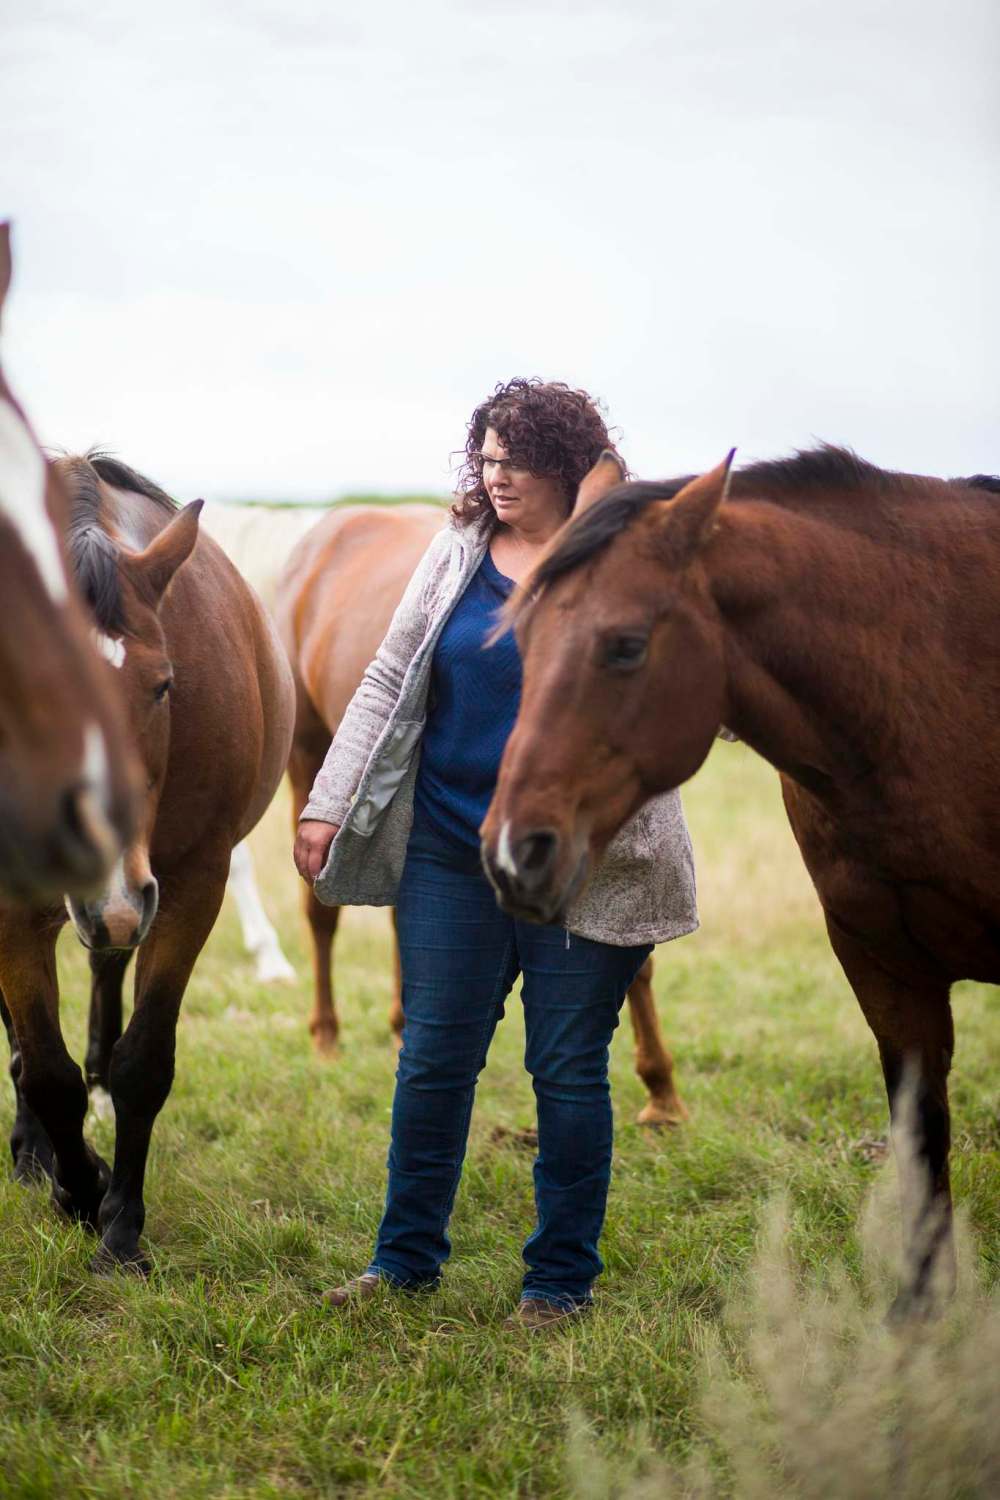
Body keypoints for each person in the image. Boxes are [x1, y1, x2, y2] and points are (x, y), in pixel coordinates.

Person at [293, 378, 698, 1329]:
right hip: (450, 845)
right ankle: (403, 1262)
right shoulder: (456, 553)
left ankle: (558, 1282)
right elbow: (393, 672)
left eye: (518, 458)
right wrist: (325, 802)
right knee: (433, 1060)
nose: (497, 474)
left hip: (580, 856)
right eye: (486, 456)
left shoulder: (617, 563)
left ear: (568, 463)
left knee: (566, 1070)